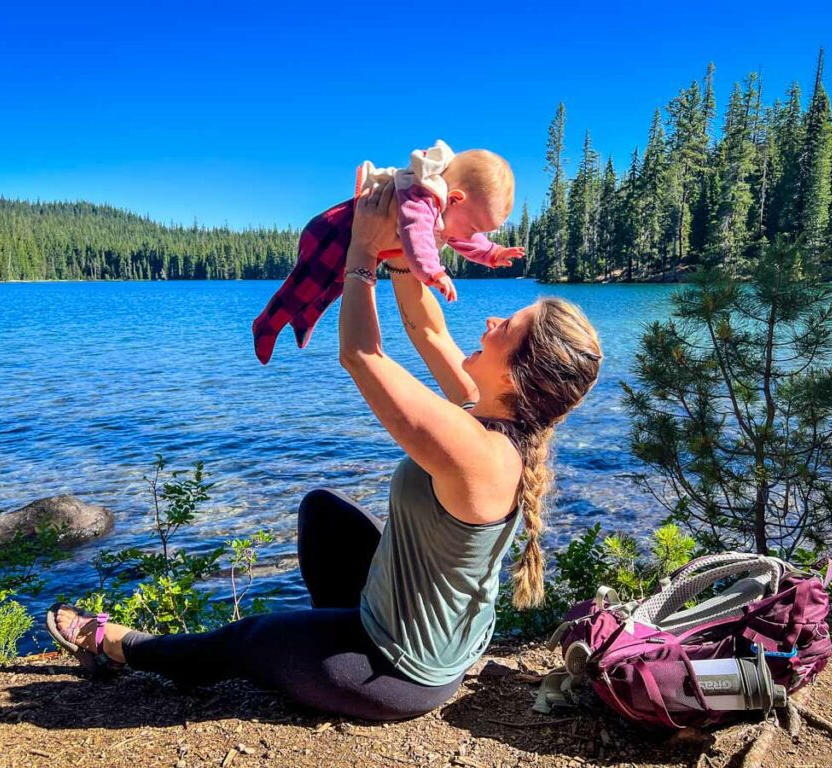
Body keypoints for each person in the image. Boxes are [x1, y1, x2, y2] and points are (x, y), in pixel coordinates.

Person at [47, 180, 603, 721]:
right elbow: (425, 327)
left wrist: (361, 251)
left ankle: (121, 646)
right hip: (427, 642)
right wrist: (409, 237)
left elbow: (362, 355)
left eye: (505, 326)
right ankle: (323, 645)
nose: (489, 321)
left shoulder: (480, 454)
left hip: (401, 674)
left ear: (521, 372)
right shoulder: (495, 411)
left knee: (248, 638)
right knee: (324, 514)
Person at [250, 140, 525, 364]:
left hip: (350, 241)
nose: (471, 236)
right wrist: (434, 272)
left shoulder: (445, 211)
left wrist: (492, 253)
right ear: (454, 199)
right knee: (304, 287)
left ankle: (303, 319)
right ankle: (266, 325)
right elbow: (416, 235)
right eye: (475, 228)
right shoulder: (421, 197)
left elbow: (462, 239)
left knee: (332, 289)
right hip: (331, 233)